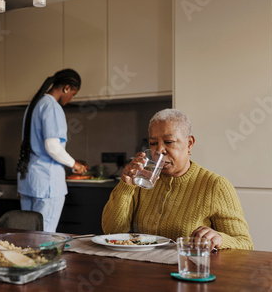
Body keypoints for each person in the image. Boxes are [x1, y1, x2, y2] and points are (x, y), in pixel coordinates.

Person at [102, 108, 253, 250]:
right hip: (142, 271)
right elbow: (112, 232)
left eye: (169, 142)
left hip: (186, 271)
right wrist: (126, 186)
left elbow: (245, 243)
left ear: (189, 144)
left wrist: (220, 238)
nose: (159, 150)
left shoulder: (215, 185)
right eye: (153, 143)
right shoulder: (141, 180)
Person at [17, 68, 87, 232]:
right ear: (66, 88)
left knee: (28, 235)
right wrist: (74, 164)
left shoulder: (34, 106)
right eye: (73, 94)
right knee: (44, 237)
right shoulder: (52, 107)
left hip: (29, 180)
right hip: (46, 182)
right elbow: (53, 147)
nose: (70, 99)